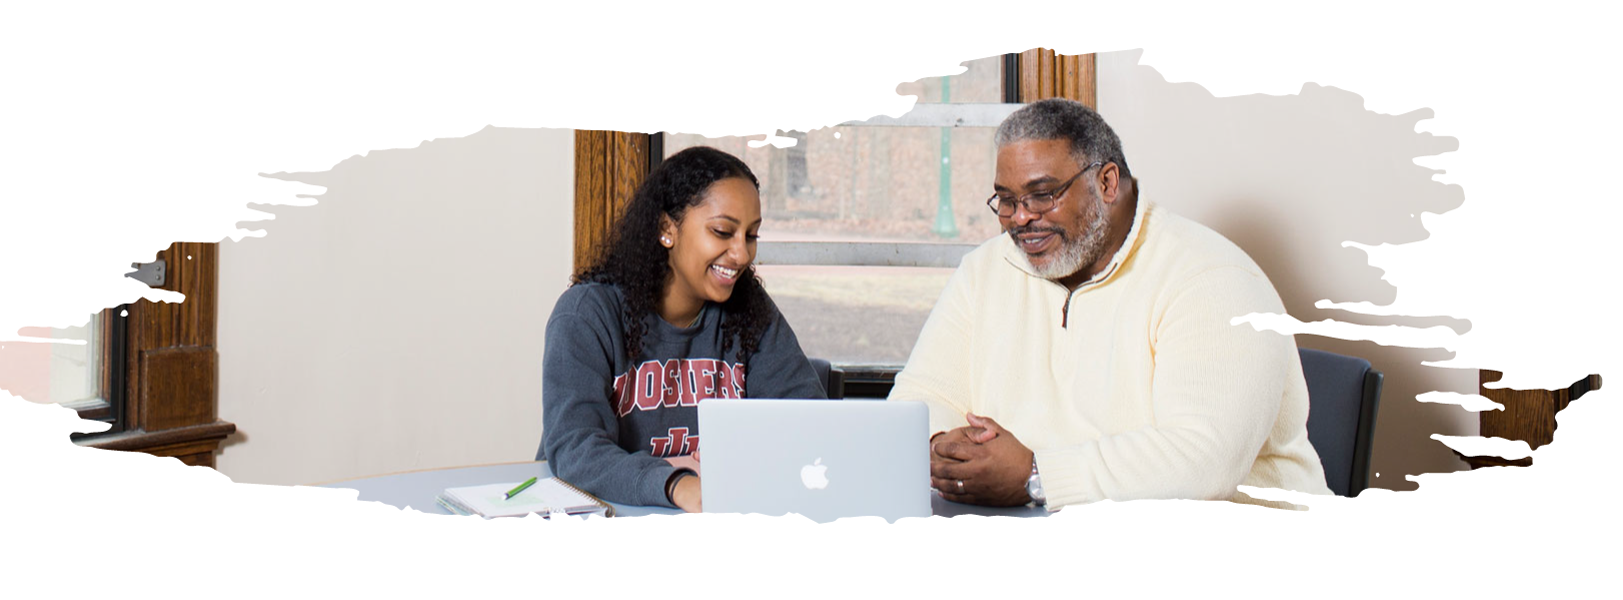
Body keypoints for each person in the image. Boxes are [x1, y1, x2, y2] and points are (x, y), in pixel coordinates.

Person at [890, 98, 1330, 511]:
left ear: (1107, 182)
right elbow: (918, 401)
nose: (1020, 218)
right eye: (1006, 200)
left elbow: (1202, 461)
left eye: (1042, 195)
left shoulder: (1212, 279)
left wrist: (1034, 475)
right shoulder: (985, 271)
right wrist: (944, 452)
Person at [537, 146, 827, 512]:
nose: (742, 254)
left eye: (751, 235)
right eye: (722, 231)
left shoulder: (751, 311)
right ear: (666, 229)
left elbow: (809, 420)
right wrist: (676, 484)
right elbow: (574, 449)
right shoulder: (587, 315)